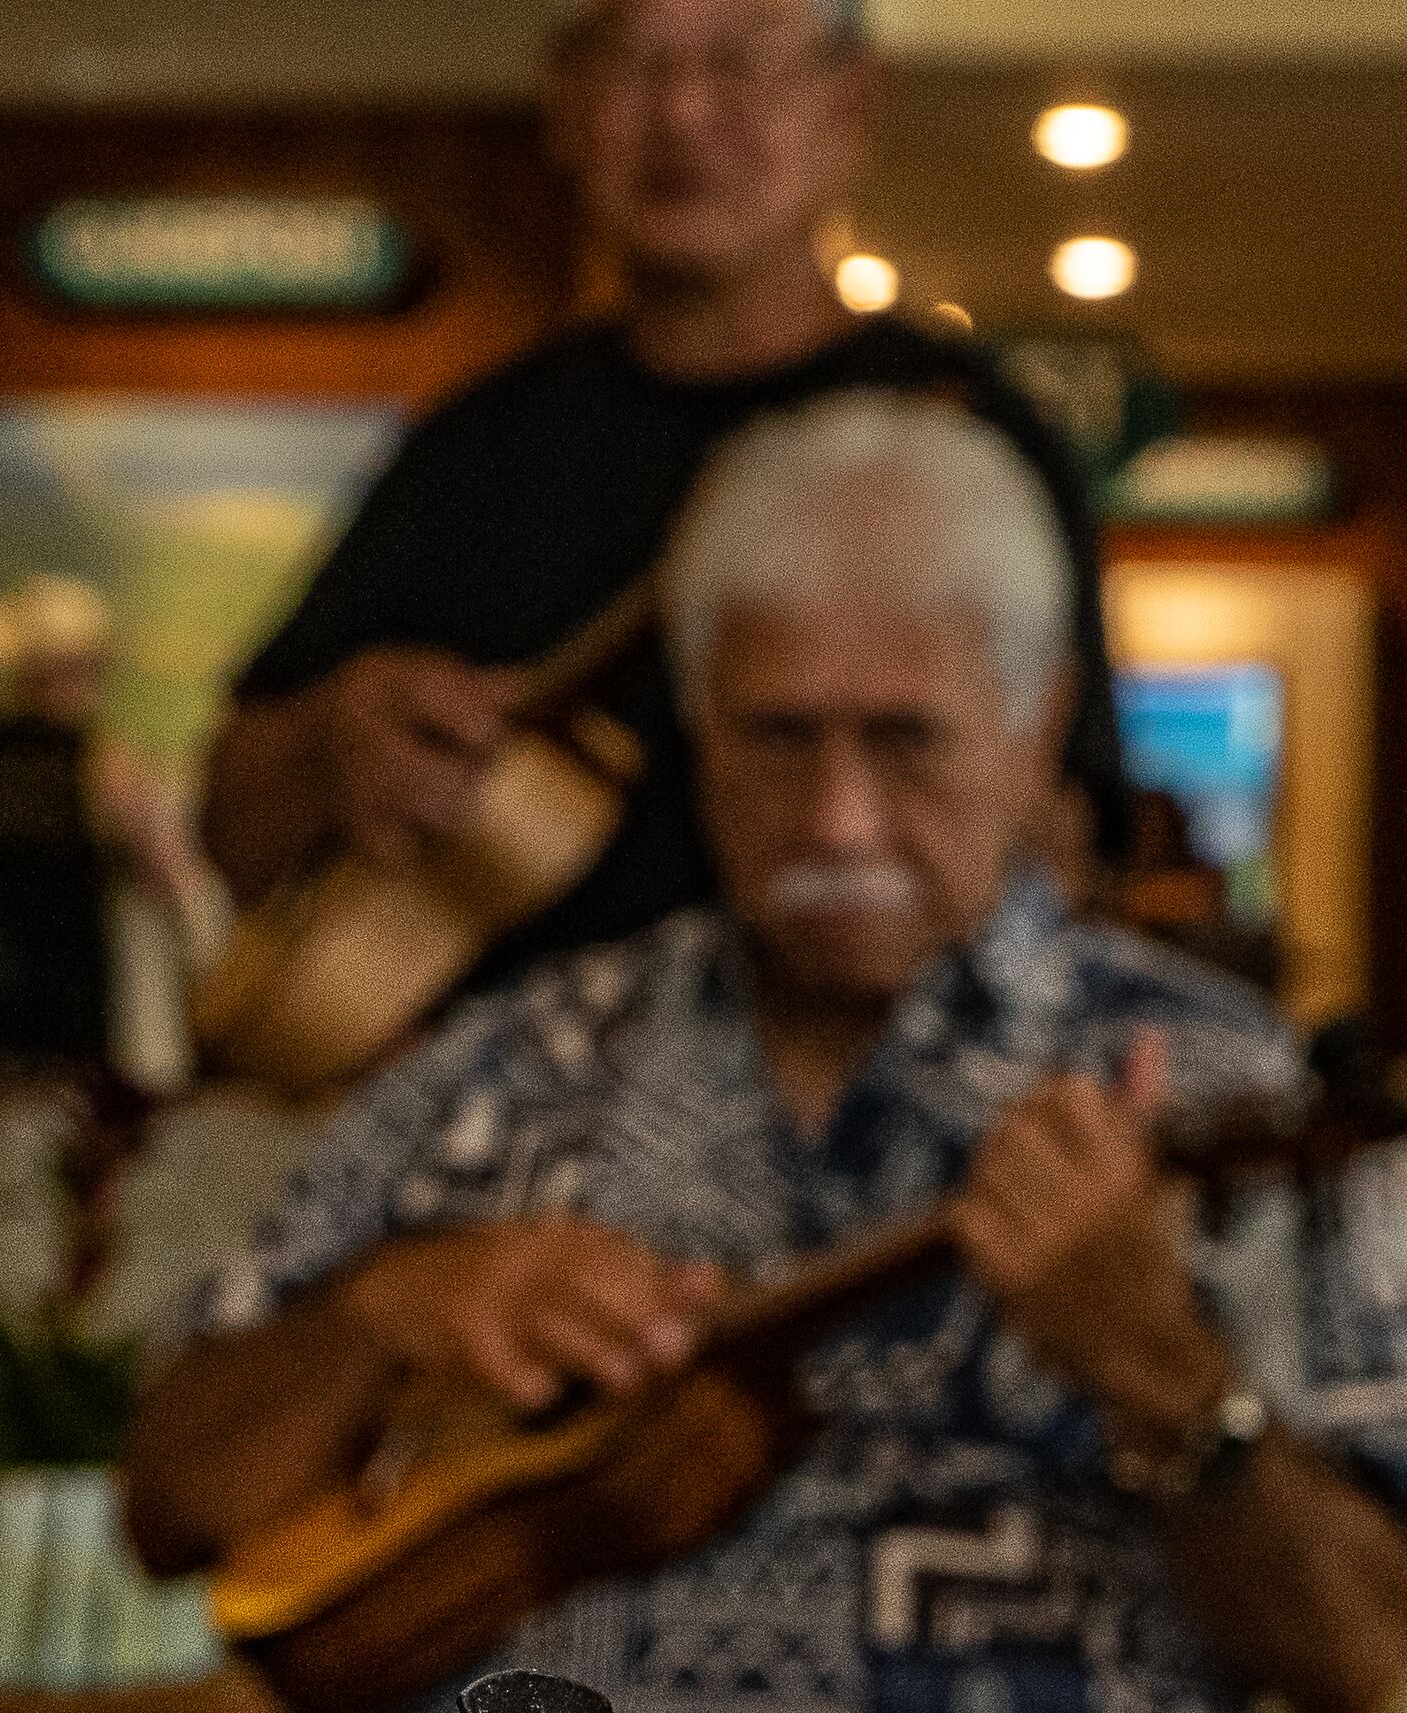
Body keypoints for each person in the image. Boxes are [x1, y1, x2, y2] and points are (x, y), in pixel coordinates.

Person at [107, 393, 1407, 1713]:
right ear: (698, 723)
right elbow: (171, 1504)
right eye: (778, 740)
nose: (838, 818)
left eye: (904, 741)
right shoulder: (509, 1066)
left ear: (1038, 726)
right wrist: (388, 1308)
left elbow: (1361, 1662)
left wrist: (1164, 1373)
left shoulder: (1215, 1082)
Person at [198, 0, 1122, 1010]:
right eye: (636, 63)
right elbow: (230, 821)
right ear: (563, 101)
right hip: (502, 1121)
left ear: (850, 103)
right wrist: (332, 742)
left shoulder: (969, 434)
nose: (682, 113)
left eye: (738, 64)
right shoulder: (477, 446)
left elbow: (1072, 854)